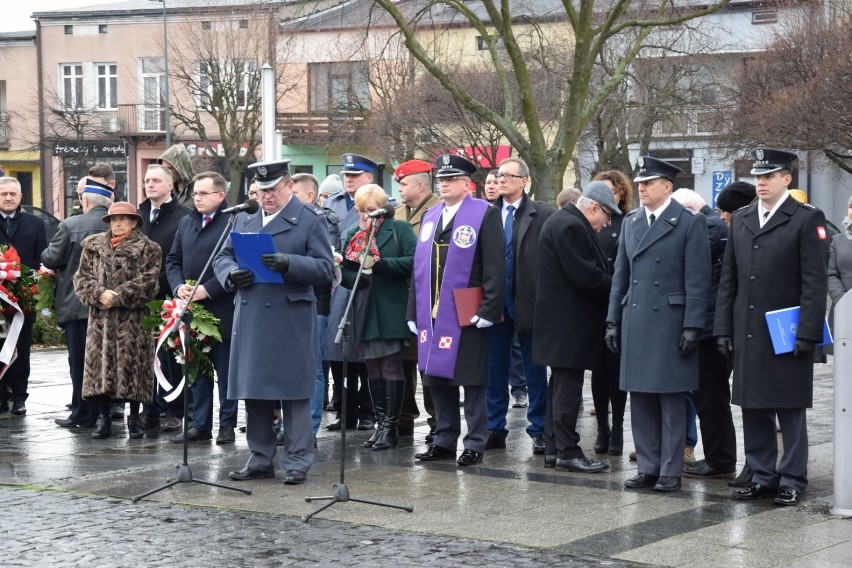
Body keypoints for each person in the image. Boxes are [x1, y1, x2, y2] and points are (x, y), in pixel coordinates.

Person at [716, 148, 829, 506]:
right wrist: (723, 328)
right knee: (753, 405)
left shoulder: (806, 219)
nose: (761, 182)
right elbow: (729, 281)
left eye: (769, 176)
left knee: (789, 406)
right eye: (758, 176)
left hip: (785, 329)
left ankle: (792, 477)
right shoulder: (744, 217)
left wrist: (808, 331)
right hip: (747, 328)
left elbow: (814, 283)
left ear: (786, 179)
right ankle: (762, 473)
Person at [213, 159, 333, 484]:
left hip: (290, 317)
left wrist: (289, 263)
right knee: (256, 392)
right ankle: (260, 458)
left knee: (294, 393)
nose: (267, 196)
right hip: (251, 314)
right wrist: (230, 275)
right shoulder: (244, 218)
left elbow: (326, 269)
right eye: (262, 190)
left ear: (289, 186)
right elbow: (222, 256)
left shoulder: (309, 219)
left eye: (273, 190)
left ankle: (296, 462)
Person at [605, 156, 711, 493]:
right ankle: (648, 467)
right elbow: (620, 276)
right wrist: (612, 320)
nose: (641, 188)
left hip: (670, 320)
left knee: (670, 399)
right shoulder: (632, 221)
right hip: (636, 319)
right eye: (640, 183)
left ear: (667, 186)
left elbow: (698, 279)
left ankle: (671, 469)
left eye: (648, 183)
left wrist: (693, 325)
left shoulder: (688, 223)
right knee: (641, 397)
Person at [408, 154, 504, 466]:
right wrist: (413, 311)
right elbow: (418, 269)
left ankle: (475, 442)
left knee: (472, 380)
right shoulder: (431, 215)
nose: (445, 184)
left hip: (467, 311)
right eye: (442, 180)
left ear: (467, 184)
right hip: (432, 313)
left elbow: (494, 266)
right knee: (437, 378)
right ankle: (444, 440)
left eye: (451, 179)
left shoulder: (484, 214)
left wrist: (490, 308)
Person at [533, 182, 619, 473]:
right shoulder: (570, 225)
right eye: (606, 217)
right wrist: (620, 286)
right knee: (567, 388)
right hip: (568, 322)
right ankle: (568, 451)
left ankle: (555, 449)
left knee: (559, 385)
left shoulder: (563, 220)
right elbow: (586, 276)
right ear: (593, 207)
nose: (606, 224)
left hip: (560, 322)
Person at [73, 202, 161, 439]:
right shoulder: (92, 247)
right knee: (100, 371)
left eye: (123, 219)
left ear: (134, 222)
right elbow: (81, 278)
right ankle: (104, 419)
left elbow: (150, 281)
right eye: (114, 219)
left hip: (133, 321)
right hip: (100, 319)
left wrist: (119, 296)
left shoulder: (149, 248)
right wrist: (99, 293)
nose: (118, 224)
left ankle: (134, 418)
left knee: (133, 368)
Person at [485, 157, 554, 455]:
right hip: (494, 304)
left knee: (534, 369)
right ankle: (493, 427)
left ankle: (539, 429)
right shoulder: (487, 214)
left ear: (524, 181)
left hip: (530, 302)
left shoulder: (543, 215)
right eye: (499, 176)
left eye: (508, 176)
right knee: (493, 368)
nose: (501, 181)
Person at [340, 184, 416, 450]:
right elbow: (345, 273)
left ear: (382, 209)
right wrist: (360, 277)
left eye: (370, 210)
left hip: (392, 306)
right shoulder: (354, 233)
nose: (365, 215)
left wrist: (382, 265)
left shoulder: (399, 229)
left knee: (391, 366)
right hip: (365, 307)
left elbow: (414, 261)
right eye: (360, 210)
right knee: (372, 368)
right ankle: (380, 423)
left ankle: (390, 427)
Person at [165, 172, 238, 445]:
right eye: (195, 193)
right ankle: (200, 424)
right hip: (191, 310)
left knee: (225, 372)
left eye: (203, 193)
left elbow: (236, 264)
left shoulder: (233, 221)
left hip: (222, 308)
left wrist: (207, 290)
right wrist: (178, 287)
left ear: (220, 196)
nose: (197, 198)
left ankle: (227, 425)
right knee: (196, 369)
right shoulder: (187, 222)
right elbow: (173, 260)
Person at [672, 188, 738, 480]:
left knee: (711, 397)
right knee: (711, 396)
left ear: (689, 208)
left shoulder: (707, 225)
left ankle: (719, 460)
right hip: (712, 324)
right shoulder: (713, 223)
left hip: (710, 327)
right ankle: (719, 457)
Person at [43, 178, 114, 429]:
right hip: (111, 305)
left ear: (84, 201)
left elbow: (50, 258)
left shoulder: (71, 224)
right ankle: (108, 411)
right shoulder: (119, 226)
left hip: (77, 304)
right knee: (108, 360)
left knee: (81, 363)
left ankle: (83, 414)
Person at [324, 154, 379, 431]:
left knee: (363, 355)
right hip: (339, 286)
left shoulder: (380, 206)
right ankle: (344, 411)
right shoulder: (331, 203)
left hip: (365, 285)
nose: (349, 180)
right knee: (338, 351)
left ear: (369, 178)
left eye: (355, 176)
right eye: (346, 175)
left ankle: (368, 411)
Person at [138, 164, 191, 433]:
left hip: (168, 298)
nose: (150, 185)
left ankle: (175, 410)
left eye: (156, 180)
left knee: (170, 357)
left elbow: (179, 259)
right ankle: (149, 408)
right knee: (145, 357)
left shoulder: (183, 217)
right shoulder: (138, 214)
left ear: (170, 185)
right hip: (139, 300)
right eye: (147, 180)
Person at [714, 179, 758, 488]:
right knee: (747, 399)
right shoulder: (735, 235)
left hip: (764, 328)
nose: (723, 218)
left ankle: (763, 466)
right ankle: (754, 464)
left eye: (726, 211)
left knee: (766, 402)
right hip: (741, 328)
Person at [393, 159, 441, 440]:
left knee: (431, 363)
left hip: (430, 298)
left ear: (420, 185)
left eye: (403, 183)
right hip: (401, 297)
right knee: (404, 361)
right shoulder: (398, 213)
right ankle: (403, 417)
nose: (399, 189)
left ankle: (438, 420)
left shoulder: (440, 211)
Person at [290, 172, 339, 437]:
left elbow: (325, 263)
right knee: (291, 365)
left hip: (316, 303)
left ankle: (308, 427)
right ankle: (289, 425)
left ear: (310, 196)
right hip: (287, 302)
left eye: (294, 194)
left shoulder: (323, 220)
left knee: (314, 368)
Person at [588, 170, 633, 456]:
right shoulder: (589, 221)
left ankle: (617, 427)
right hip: (593, 302)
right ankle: (601, 427)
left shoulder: (626, 222)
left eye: (614, 191)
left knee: (616, 370)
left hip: (615, 303)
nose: (608, 196)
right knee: (597, 371)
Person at [0, 177, 47, 416]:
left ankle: (19, 397)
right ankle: (1, 395)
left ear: (20, 197)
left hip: (23, 298)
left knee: (22, 348)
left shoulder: (35, 224)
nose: (8, 198)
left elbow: (41, 259)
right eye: (3, 194)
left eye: (12, 194)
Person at [828, 195, 852, 325]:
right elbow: (831, 274)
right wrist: (844, 301)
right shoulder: (837, 240)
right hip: (842, 309)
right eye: (851, 207)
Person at [156, 143, 196, 208]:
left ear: (181, 168)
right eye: (164, 169)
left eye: (169, 168)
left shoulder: (198, 189)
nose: (166, 173)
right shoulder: (169, 191)